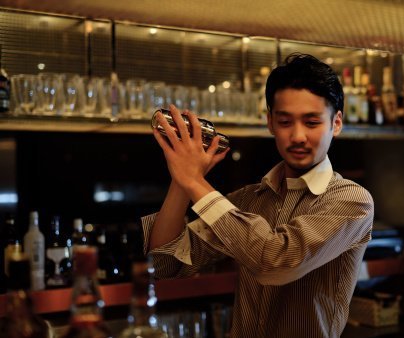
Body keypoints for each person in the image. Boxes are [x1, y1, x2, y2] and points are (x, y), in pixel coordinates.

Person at [142, 53, 374, 338]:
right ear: (270, 123)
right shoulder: (249, 200)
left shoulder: (350, 201)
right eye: (285, 122)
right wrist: (183, 179)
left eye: (312, 122)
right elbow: (165, 264)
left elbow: (274, 262)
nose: (298, 136)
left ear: (336, 124)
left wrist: (193, 181)